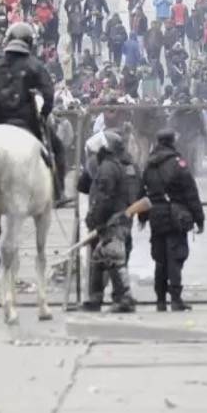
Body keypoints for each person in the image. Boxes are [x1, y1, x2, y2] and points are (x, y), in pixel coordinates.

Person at [0, 23, 67, 202]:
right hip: (27, 121)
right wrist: (43, 114)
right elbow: (49, 94)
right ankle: (58, 193)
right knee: (57, 149)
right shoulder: (34, 65)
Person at [140, 128, 205, 312]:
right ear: (171, 142)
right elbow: (191, 192)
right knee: (175, 258)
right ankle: (175, 299)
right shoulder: (178, 163)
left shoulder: (149, 164)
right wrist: (199, 218)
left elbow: (141, 191)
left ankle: (160, 300)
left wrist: (143, 216)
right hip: (176, 215)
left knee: (160, 259)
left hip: (156, 215)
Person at [82, 130, 138, 313]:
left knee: (114, 258)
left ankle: (125, 298)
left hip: (113, 221)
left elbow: (103, 197)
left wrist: (94, 218)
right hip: (112, 220)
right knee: (99, 259)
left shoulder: (107, 168)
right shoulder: (112, 164)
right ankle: (95, 298)